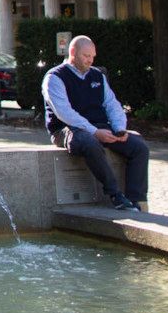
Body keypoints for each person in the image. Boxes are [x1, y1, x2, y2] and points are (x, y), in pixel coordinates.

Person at [42, 35, 149, 211]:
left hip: (100, 126)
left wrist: (119, 129)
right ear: (73, 52)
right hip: (67, 129)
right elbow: (64, 113)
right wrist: (94, 131)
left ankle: (137, 200)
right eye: (86, 56)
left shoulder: (97, 75)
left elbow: (112, 104)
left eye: (92, 56)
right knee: (90, 143)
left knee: (139, 147)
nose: (90, 60)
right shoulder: (54, 77)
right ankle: (115, 195)